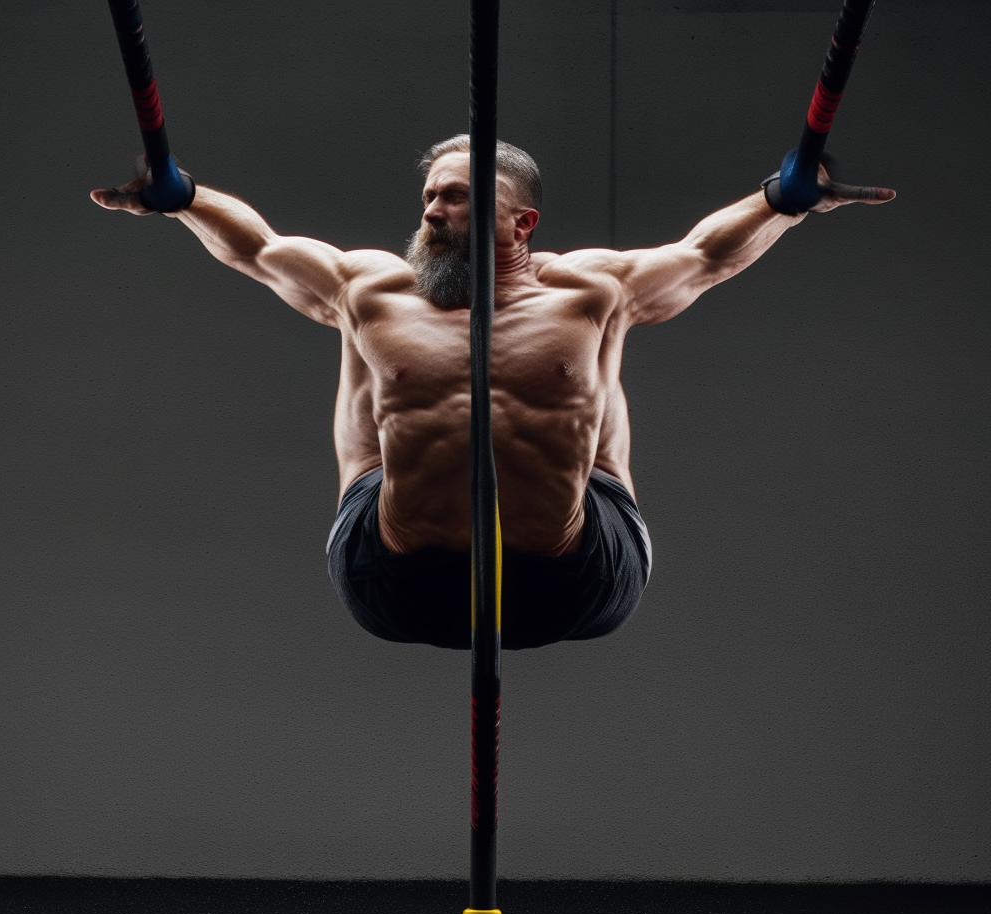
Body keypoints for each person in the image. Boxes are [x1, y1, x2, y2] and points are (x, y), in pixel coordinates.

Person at [90, 135, 895, 650]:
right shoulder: (369, 289)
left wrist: (782, 201)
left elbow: (706, 255)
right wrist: (184, 198)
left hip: (574, 576)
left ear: (522, 222)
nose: (433, 211)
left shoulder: (593, 291)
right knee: (415, 467)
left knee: (556, 481)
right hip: (397, 577)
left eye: (457, 196)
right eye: (430, 196)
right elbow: (258, 248)